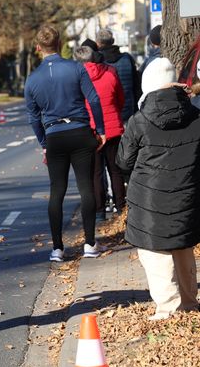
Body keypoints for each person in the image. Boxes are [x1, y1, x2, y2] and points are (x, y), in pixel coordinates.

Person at [116, 57, 200, 320]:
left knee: (156, 256)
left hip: (149, 201)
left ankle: (168, 310)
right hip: (187, 196)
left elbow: (122, 162)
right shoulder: (196, 116)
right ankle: (189, 303)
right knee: (183, 250)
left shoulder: (139, 121)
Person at [25, 24, 106, 263]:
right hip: (81, 132)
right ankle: (90, 243)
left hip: (55, 136)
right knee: (86, 188)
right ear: (59, 44)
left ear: (38, 47)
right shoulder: (76, 68)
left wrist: (44, 143)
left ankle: (58, 248)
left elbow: (33, 117)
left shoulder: (32, 80)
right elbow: (93, 98)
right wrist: (99, 129)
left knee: (56, 191)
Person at [73, 46, 127, 220]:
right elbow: (120, 99)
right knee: (116, 170)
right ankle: (121, 207)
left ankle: (99, 211)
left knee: (96, 173)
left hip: (91, 130)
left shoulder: (78, 78)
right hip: (113, 128)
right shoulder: (110, 73)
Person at [97, 28, 141, 125]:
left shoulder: (97, 62)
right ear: (112, 41)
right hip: (129, 110)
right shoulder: (127, 58)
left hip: (108, 112)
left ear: (98, 43)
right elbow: (136, 85)